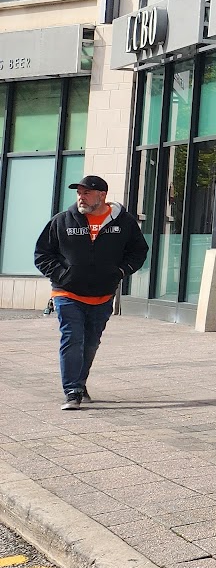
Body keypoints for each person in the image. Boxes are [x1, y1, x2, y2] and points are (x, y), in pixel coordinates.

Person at [32, 175, 148, 410]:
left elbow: (139, 251)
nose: (81, 197)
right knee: (72, 338)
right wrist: (62, 275)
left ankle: (80, 382)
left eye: (86, 193)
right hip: (67, 293)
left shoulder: (123, 222)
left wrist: (121, 271)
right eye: (79, 193)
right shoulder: (62, 220)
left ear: (102, 195)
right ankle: (72, 391)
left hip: (103, 295)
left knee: (91, 343)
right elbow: (42, 254)